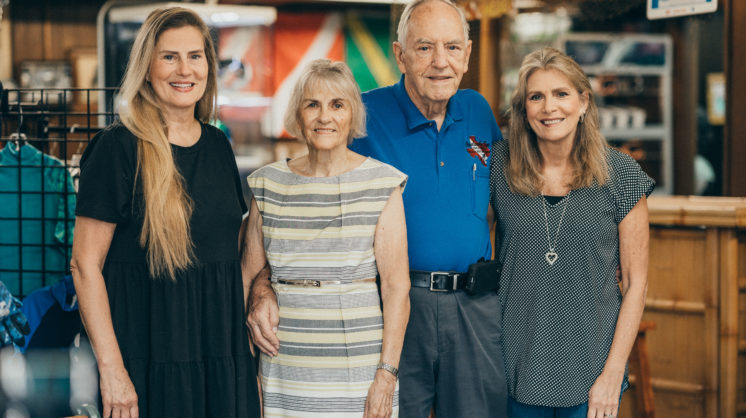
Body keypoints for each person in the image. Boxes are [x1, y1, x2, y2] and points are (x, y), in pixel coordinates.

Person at [70, 8, 260, 418]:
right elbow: (85, 267)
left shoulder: (218, 146)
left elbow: (231, 253)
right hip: (147, 360)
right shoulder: (116, 148)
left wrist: (264, 290)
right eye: (169, 56)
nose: (184, 69)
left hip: (219, 356)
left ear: (208, 65)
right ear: (146, 67)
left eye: (195, 56)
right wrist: (112, 371)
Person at [349, 0, 507, 416]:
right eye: (424, 48)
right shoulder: (361, 114)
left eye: (452, 48)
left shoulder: (477, 111)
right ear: (400, 55)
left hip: (474, 307)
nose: (441, 62)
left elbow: (513, 199)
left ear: (467, 55)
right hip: (393, 309)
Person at [490, 47, 652, 418]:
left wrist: (613, 374)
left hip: (593, 373)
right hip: (511, 367)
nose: (549, 107)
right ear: (524, 109)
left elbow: (636, 285)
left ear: (583, 102)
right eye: (536, 97)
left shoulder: (622, 174)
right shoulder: (499, 166)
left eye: (561, 94)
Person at [244, 59, 410, 417]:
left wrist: (387, 375)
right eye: (312, 105)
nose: (324, 117)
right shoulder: (267, 184)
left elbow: (396, 287)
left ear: (353, 115)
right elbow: (248, 279)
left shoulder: (383, 184)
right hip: (283, 367)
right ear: (298, 114)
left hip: (360, 370)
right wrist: (246, 370)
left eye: (337, 105)